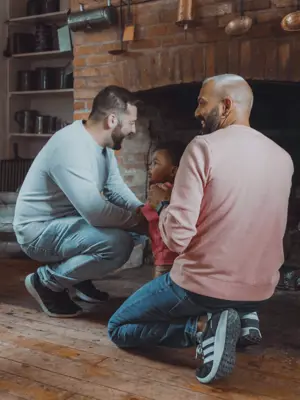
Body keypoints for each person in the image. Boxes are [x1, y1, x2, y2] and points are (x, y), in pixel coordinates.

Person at [108, 74, 294, 384]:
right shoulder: (283, 157)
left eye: (201, 102)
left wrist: (165, 205)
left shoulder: (203, 148)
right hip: (261, 287)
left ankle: (203, 327)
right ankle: (243, 314)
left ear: (226, 106)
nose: (196, 112)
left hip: (202, 286)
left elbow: (178, 238)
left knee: (118, 328)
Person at [13, 85, 147, 318]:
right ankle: (47, 283)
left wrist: (144, 212)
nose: (133, 129)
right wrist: (138, 222)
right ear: (112, 120)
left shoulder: (102, 147)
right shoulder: (71, 146)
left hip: (67, 224)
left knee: (135, 232)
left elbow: (114, 188)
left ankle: (77, 276)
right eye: (131, 122)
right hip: (38, 231)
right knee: (118, 243)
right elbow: (95, 211)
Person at [141, 141, 186, 278]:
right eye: (150, 164)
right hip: (179, 258)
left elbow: (141, 218)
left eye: (156, 163)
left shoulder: (160, 191)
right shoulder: (182, 192)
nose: (150, 169)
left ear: (173, 170)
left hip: (165, 259)